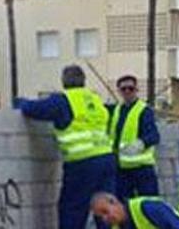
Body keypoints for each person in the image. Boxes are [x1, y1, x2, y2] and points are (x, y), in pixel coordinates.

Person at [13, 64, 116, 229]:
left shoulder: (64, 100)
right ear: (83, 81)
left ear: (63, 81)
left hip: (82, 163)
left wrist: (19, 101)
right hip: (107, 161)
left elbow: (33, 109)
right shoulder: (95, 100)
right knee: (106, 213)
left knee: (72, 211)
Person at [108, 75, 161, 200]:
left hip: (142, 169)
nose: (127, 91)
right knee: (123, 208)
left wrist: (140, 144)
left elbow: (154, 136)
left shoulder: (144, 110)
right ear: (119, 91)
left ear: (136, 90)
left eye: (130, 88)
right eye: (124, 89)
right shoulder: (117, 110)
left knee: (148, 206)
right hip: (121, 169)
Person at [91, 192, 179, 229]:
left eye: (105, 211)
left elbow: (177, 226)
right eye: (100, 217)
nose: (105, 218)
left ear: (114, 202)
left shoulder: (146, 207)